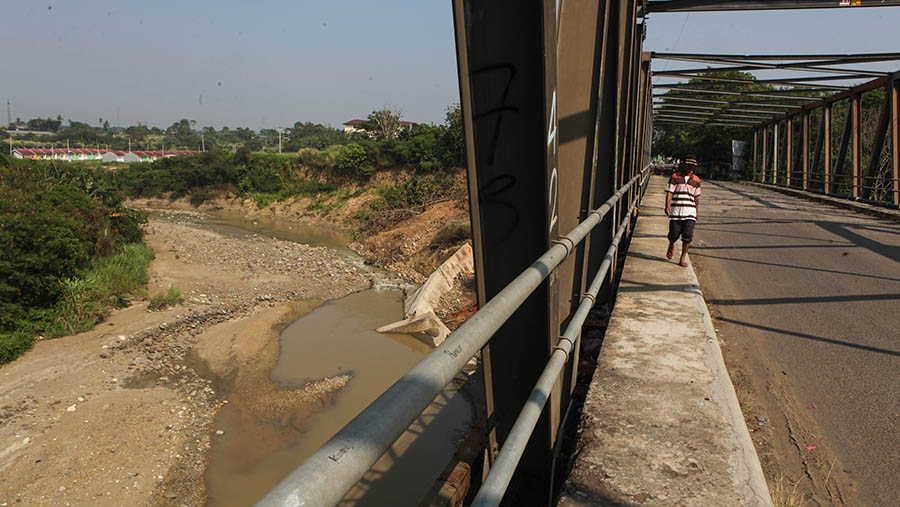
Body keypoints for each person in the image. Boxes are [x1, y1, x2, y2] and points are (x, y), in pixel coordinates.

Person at [664, 154, 701, 267]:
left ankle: (682, 258)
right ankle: (671, 245)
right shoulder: (675, 177)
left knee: (688, 236)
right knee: (674, 234)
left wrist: (696, 212)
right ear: (683, 164)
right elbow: (670, 192)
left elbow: (696, 197)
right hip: (676, 211)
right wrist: (667, 205)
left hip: (690, 211)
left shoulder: (696, 180)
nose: (690, 167)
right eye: (688, 164)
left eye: (692, 165)